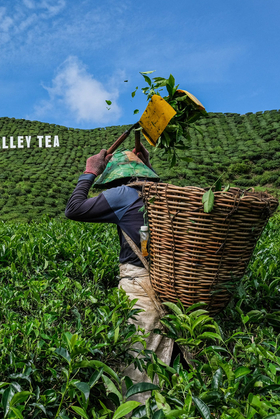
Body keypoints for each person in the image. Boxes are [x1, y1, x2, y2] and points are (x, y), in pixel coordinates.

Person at [64, 144, 171, 405]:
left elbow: (74, 209)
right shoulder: (163, 196)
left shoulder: (124, 194)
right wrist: (150, 167)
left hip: (140, 288)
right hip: (170, 284)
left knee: (136, 366)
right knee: (163, 364)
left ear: (117, 178)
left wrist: (90, 171)